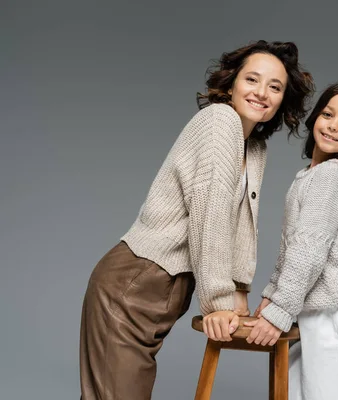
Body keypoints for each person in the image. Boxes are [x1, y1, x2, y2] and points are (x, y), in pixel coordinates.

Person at [79, 40, 314, 400]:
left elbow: (240, 223)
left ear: (284, 99)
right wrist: (219, 301)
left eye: (275, 86)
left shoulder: (254, 146)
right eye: (252, 79)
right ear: (232, 83)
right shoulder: (220, 121)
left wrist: (238, 290)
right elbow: (211, 214)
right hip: (135, 282)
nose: (262, 93)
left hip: (159, 290)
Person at [245, 81, 338, 399]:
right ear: (316, 117)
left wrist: (280, 309)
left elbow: (310, 249)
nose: (333, 126)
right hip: (316, 309)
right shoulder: (310, 176)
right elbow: (293, 247)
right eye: (328, 114)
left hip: (335, 310)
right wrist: (272, 294)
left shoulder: (330, 175)